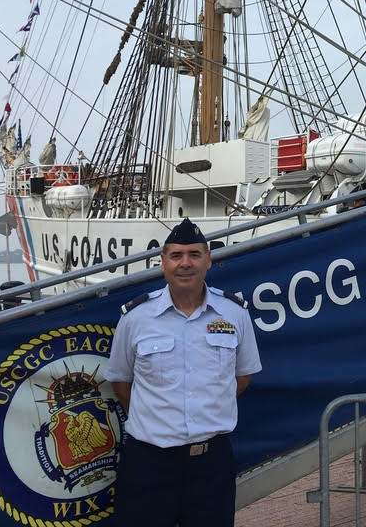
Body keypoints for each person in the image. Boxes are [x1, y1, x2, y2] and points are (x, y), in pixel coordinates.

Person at [106, 218, 261, 526]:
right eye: (176, 255)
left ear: (208, 260)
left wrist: (208, 407)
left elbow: (242, 377)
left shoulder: (234, 313)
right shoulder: (136, 318)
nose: (185, 263)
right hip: (148, 464)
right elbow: (121, 382)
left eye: (194, 255)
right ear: (163, 262)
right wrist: (157, 420)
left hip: (211, 466)